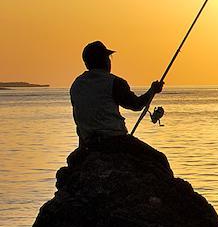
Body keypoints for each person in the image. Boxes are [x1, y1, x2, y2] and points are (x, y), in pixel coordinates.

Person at [68, 41, 169, 170]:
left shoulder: (76, 85)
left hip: (89, 144)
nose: (110, 61)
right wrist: (152, 90)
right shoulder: (114, 82)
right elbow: (136, 105)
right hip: (114, 142)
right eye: (108, 58)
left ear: (87, 63)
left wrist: (83, 150)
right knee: (160, 160)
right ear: (104, 61)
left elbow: (79, 119)